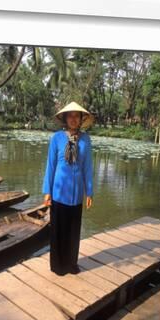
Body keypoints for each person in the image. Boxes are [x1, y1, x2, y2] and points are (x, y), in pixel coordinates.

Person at [42, 101, 94, 275]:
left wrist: (89, 191)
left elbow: (87, 167)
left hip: (77, 194)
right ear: (65, 118)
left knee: (73, 232)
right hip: (58, 193)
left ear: (81, 119)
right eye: (70, 115)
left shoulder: (85, 140)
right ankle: (58, 265)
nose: (73, 119)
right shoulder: (56, 138)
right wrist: (47, 191)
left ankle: (71, 264)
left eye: (76, 116)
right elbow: (50, 165)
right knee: (58, 231)